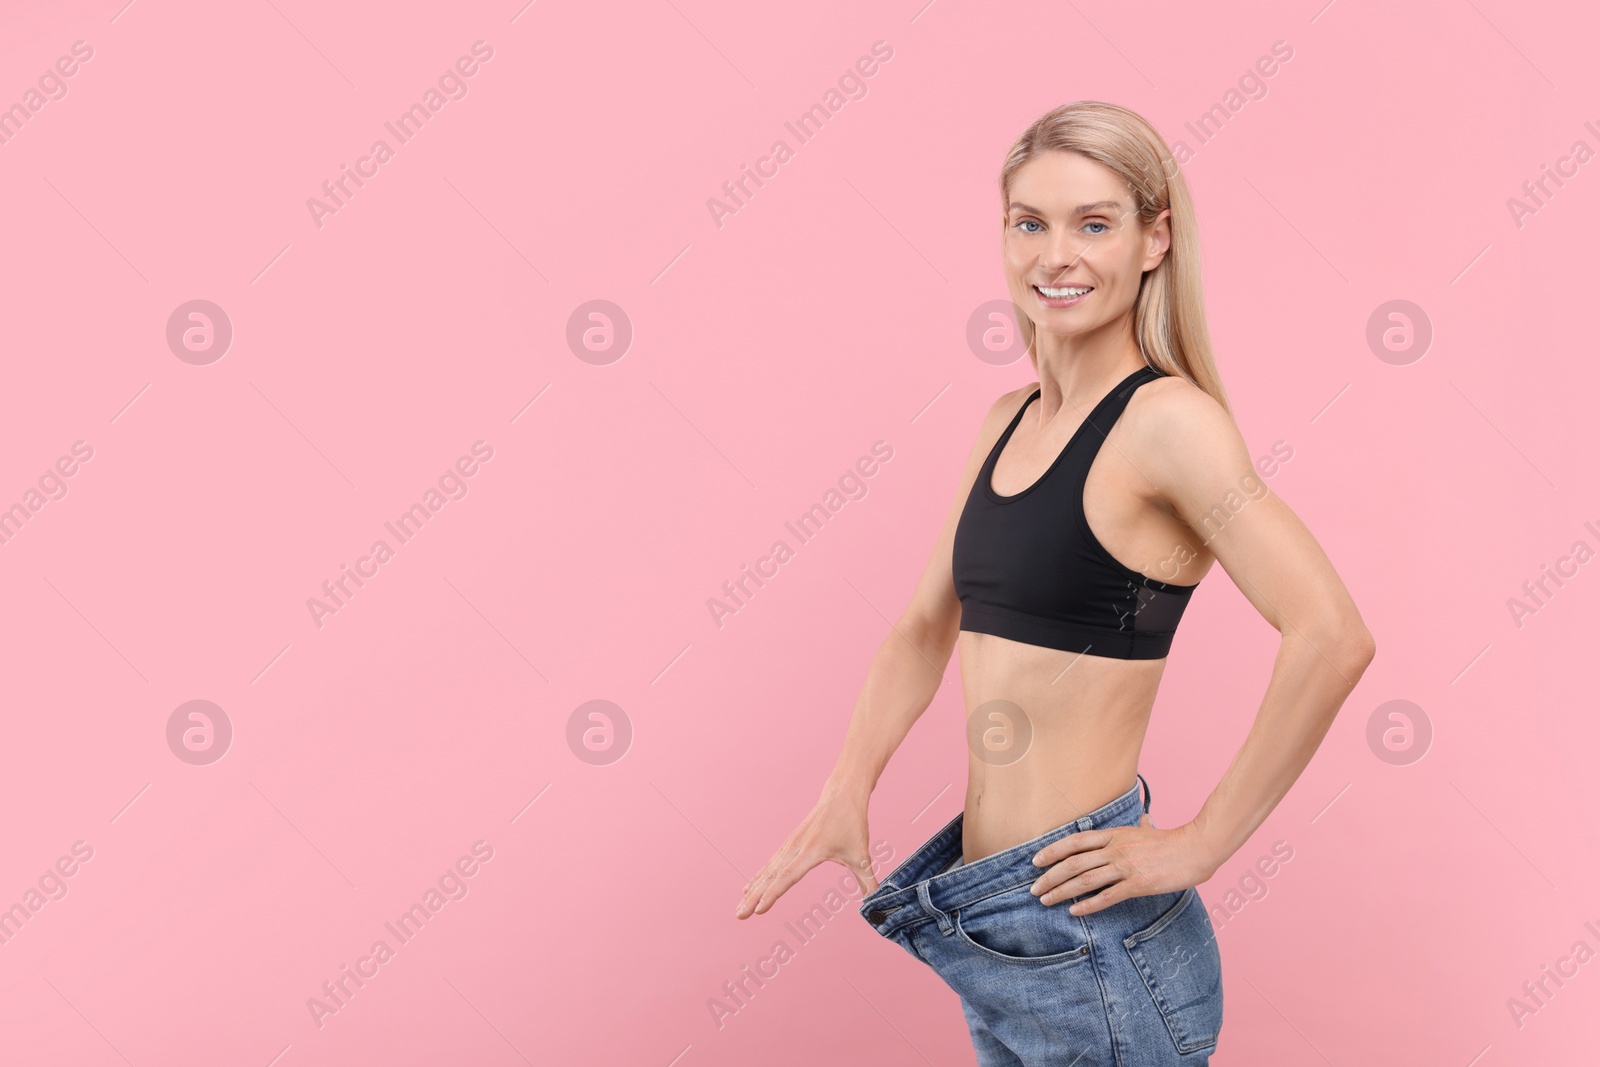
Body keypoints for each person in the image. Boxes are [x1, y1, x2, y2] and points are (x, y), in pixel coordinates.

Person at [732, 100, 1376, 1066]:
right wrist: (846, 786)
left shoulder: (1168, 424)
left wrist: (1200, 842)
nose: (1055, 255)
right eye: (1029, 223)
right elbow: (920, 628)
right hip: (996, 916)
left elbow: (1332, 632)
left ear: (1156, 239)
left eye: (1094, 223)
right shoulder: (1004, 420)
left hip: (1092, 938)